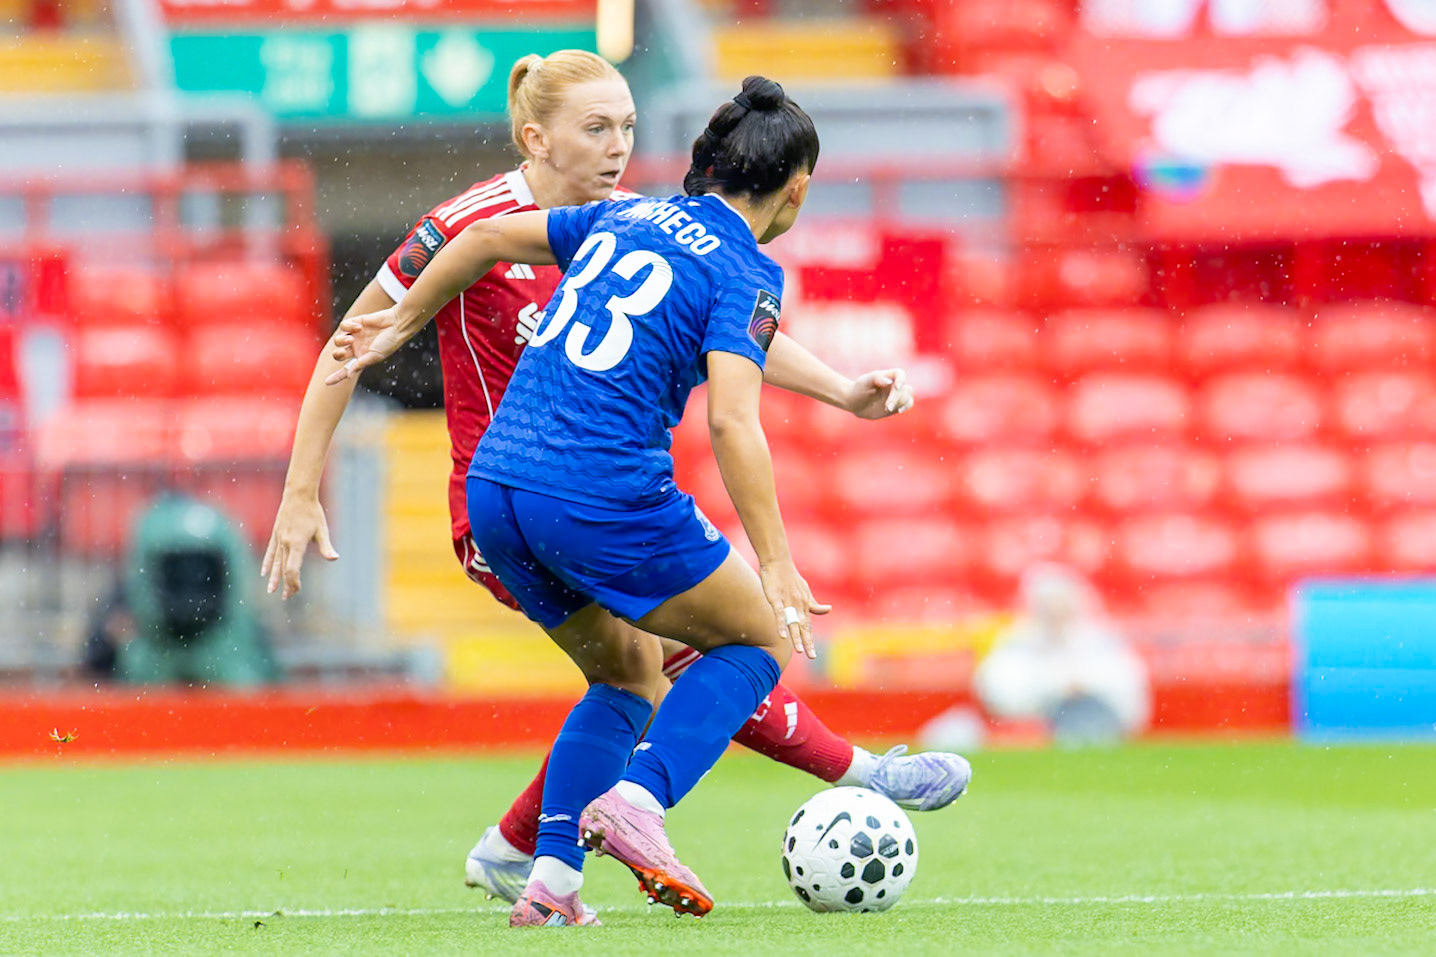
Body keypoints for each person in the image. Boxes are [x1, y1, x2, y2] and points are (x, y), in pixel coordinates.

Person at [265, 51, 968, 911]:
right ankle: (781, 782)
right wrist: (303, 488)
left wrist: (839, 388)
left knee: (636, 674)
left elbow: (735, 335)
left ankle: (536, 865)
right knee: (721, 647)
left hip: (521, 489)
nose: (618, 147)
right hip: (536, 495)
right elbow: (355, 338)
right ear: (536, 138)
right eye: (597, 128)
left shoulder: (632, 218)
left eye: (629, 127)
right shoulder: (471, 218)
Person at [974, 563, 1150, 745]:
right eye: (1048, 605)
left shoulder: (1100, 641)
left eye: (1061, 604)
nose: (1056, 612)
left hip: (1099, 728)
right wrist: (1055, 690)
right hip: (1037, 736)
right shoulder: (1017, 642)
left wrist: (1083, 689)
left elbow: (1129, 693)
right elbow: (1001, 694)